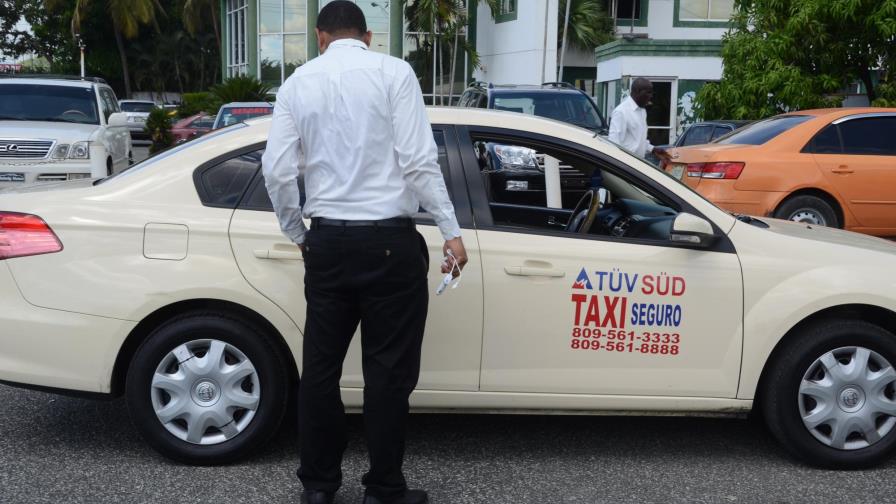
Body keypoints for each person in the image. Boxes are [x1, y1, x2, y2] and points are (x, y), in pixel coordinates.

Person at [261, 2, 467, 504]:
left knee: (321, 370)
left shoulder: (297, 84)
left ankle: (318, 488)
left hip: (327, 242)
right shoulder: (394, 73)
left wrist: (299, 233)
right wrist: (451, 231)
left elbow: (277, 171)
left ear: (320, 36)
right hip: (390, 244)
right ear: (369, 36)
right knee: (388, 374)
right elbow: (418, 161)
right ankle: (383, 488)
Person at [608, 78, 670, 161]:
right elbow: (613, 144)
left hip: (639, 163)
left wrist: (653, 149)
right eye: (648, 92)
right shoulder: (621, 112)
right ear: (637, 91)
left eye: (652, 93)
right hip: (625, 163)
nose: (651, 96)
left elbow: (638, 140)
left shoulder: (642, 111)